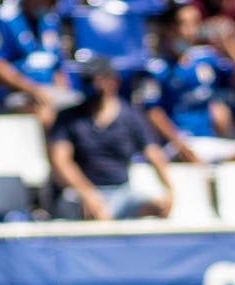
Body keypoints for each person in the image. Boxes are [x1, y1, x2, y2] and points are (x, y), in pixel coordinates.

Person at [48, 57, 173, 220]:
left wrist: (169, 190)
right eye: (88, 80)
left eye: (98, 79)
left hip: (122, 191)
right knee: (96, 213)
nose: (93, 85)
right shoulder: (68, 117)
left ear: (113, 81)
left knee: (157, 207)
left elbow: (153, 153)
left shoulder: (131, 116)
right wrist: (87, 193)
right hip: (80, 193)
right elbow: (60, 161)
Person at [144, 1, 235, 164]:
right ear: (169, 30)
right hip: (178, 143)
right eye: (184, 24)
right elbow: (153, 113)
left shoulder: (206, 60)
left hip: (207, 139)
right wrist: (179, 143)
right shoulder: (157, 69)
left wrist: (230, 45)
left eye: (195, 24)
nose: (190, 31)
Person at [0, 0, 80, 127]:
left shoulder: (51, 20)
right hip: (16, 93)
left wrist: (60, 92)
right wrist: (34, 91)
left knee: (79, 110)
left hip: (48, 92)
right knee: (42, 113)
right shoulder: (5, 17)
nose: (53, 5)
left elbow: (58, 68)